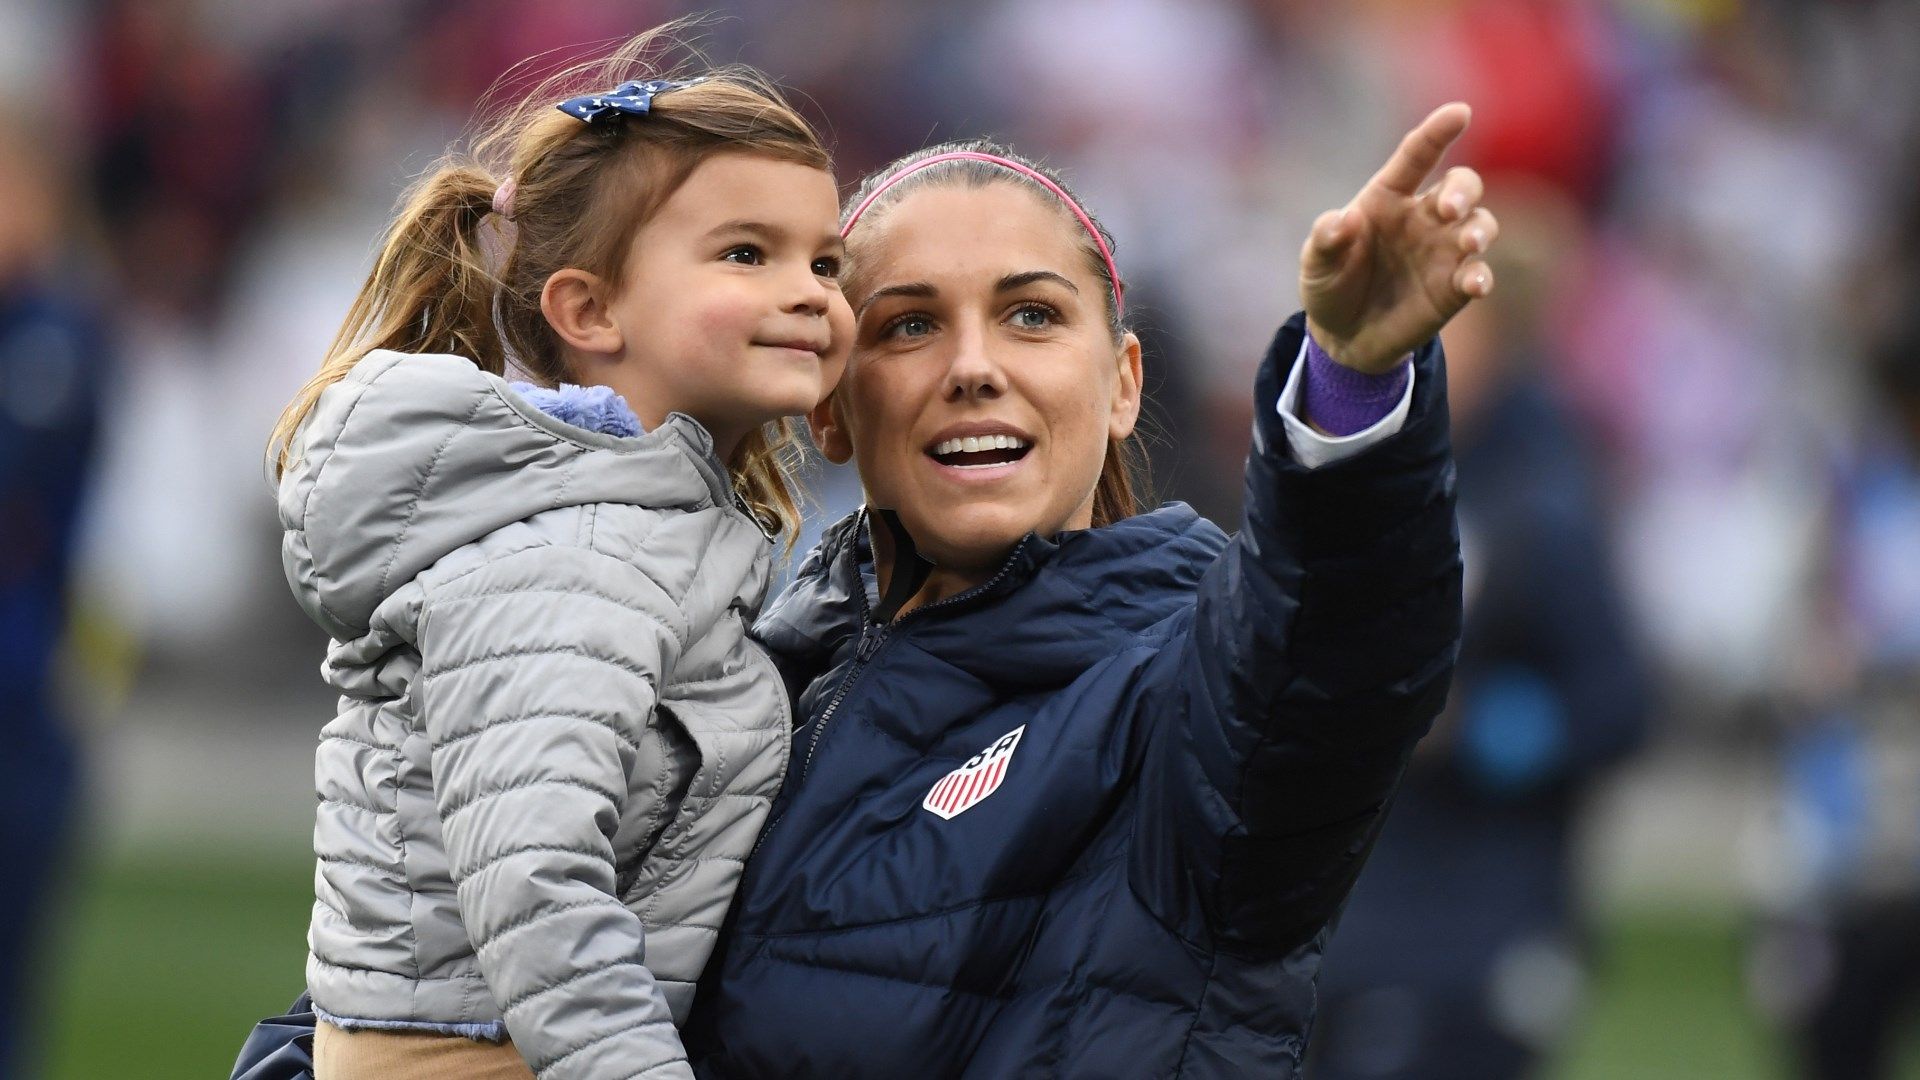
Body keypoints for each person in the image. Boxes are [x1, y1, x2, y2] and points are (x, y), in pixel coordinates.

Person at [679, 103, 1496, 1077]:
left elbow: (1334, 656)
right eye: (910, 324)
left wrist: (1353, 382)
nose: (974, 367)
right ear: (831, 412)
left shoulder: (1193, 687)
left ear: (1122, 385)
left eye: (1032, 314)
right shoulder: (742, 690)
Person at [257, 30, 850, 1080]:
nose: (809, 290)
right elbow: (534, 884)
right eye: (747, 254)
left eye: (825, 260)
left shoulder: (644, 521)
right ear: (589, 308)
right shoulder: (575, 548)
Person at [1308, 192, 1651, 1080]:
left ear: (1491, 340)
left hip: (1485, 908)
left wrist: (1493, 732)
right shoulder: (1353, 483)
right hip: (1347, 908)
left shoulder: (1547, 505)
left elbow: (1621, 703)